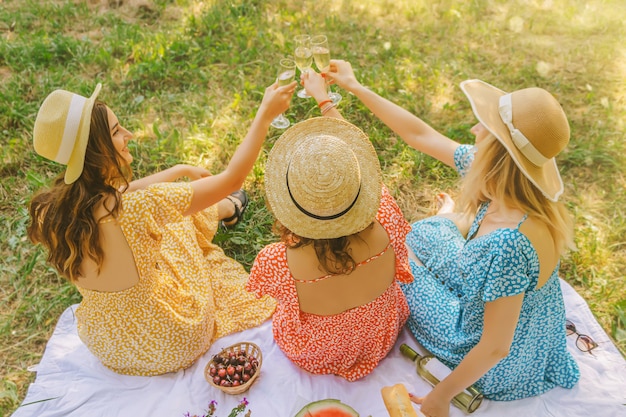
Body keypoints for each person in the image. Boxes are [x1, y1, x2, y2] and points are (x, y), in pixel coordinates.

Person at [322, 60, 580, 416]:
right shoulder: (513, 186)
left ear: (500, 153)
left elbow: (495, 347)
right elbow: (420, 135)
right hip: (502, 301)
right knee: (426, 232)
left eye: (486, 127)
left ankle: (448, 224)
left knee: (402, 268)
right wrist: (355, 86)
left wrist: (441, 396)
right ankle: (449, 220)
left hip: (496, 356)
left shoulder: (508, 246)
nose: (475, 128)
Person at [26, 79, 295, 376]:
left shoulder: (50, 212)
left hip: (109, 346)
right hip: (175, 337)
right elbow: (231, 180)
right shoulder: (141, 207)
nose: (128, 134)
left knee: (166, 215)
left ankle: (227, 210)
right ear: (97, 148)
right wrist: (265, 115)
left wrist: (178, 171)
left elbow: (119, 196)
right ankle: (228, 208)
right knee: (176, 220)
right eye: (117, 131)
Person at [245, 112, 413, 381]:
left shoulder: (276, 261)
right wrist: (325, 101)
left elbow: (286, 305)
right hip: (380, 336)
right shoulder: (386, 213)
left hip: (317, 353)